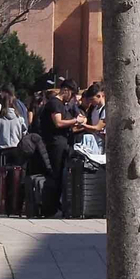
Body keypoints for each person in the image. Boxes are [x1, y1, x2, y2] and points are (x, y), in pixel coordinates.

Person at [36, 78, 85, 213]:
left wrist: (80, 124)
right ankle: (51, 207)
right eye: (72, 94)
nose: (72, 98)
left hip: (62, 142)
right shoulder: (55, 103)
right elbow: (58, 123)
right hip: (56, 144)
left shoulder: (62, 105)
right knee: (56, 175)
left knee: (61, 175)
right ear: (66, 91)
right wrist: (75, 120)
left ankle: (56, 205)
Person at [0, 90, 28, 215]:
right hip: (16, 149)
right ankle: (15, 205)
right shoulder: (20, 119)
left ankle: (1, 205)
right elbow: (24, 133)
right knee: (16, 178)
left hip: (2, 150)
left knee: (0, 178)